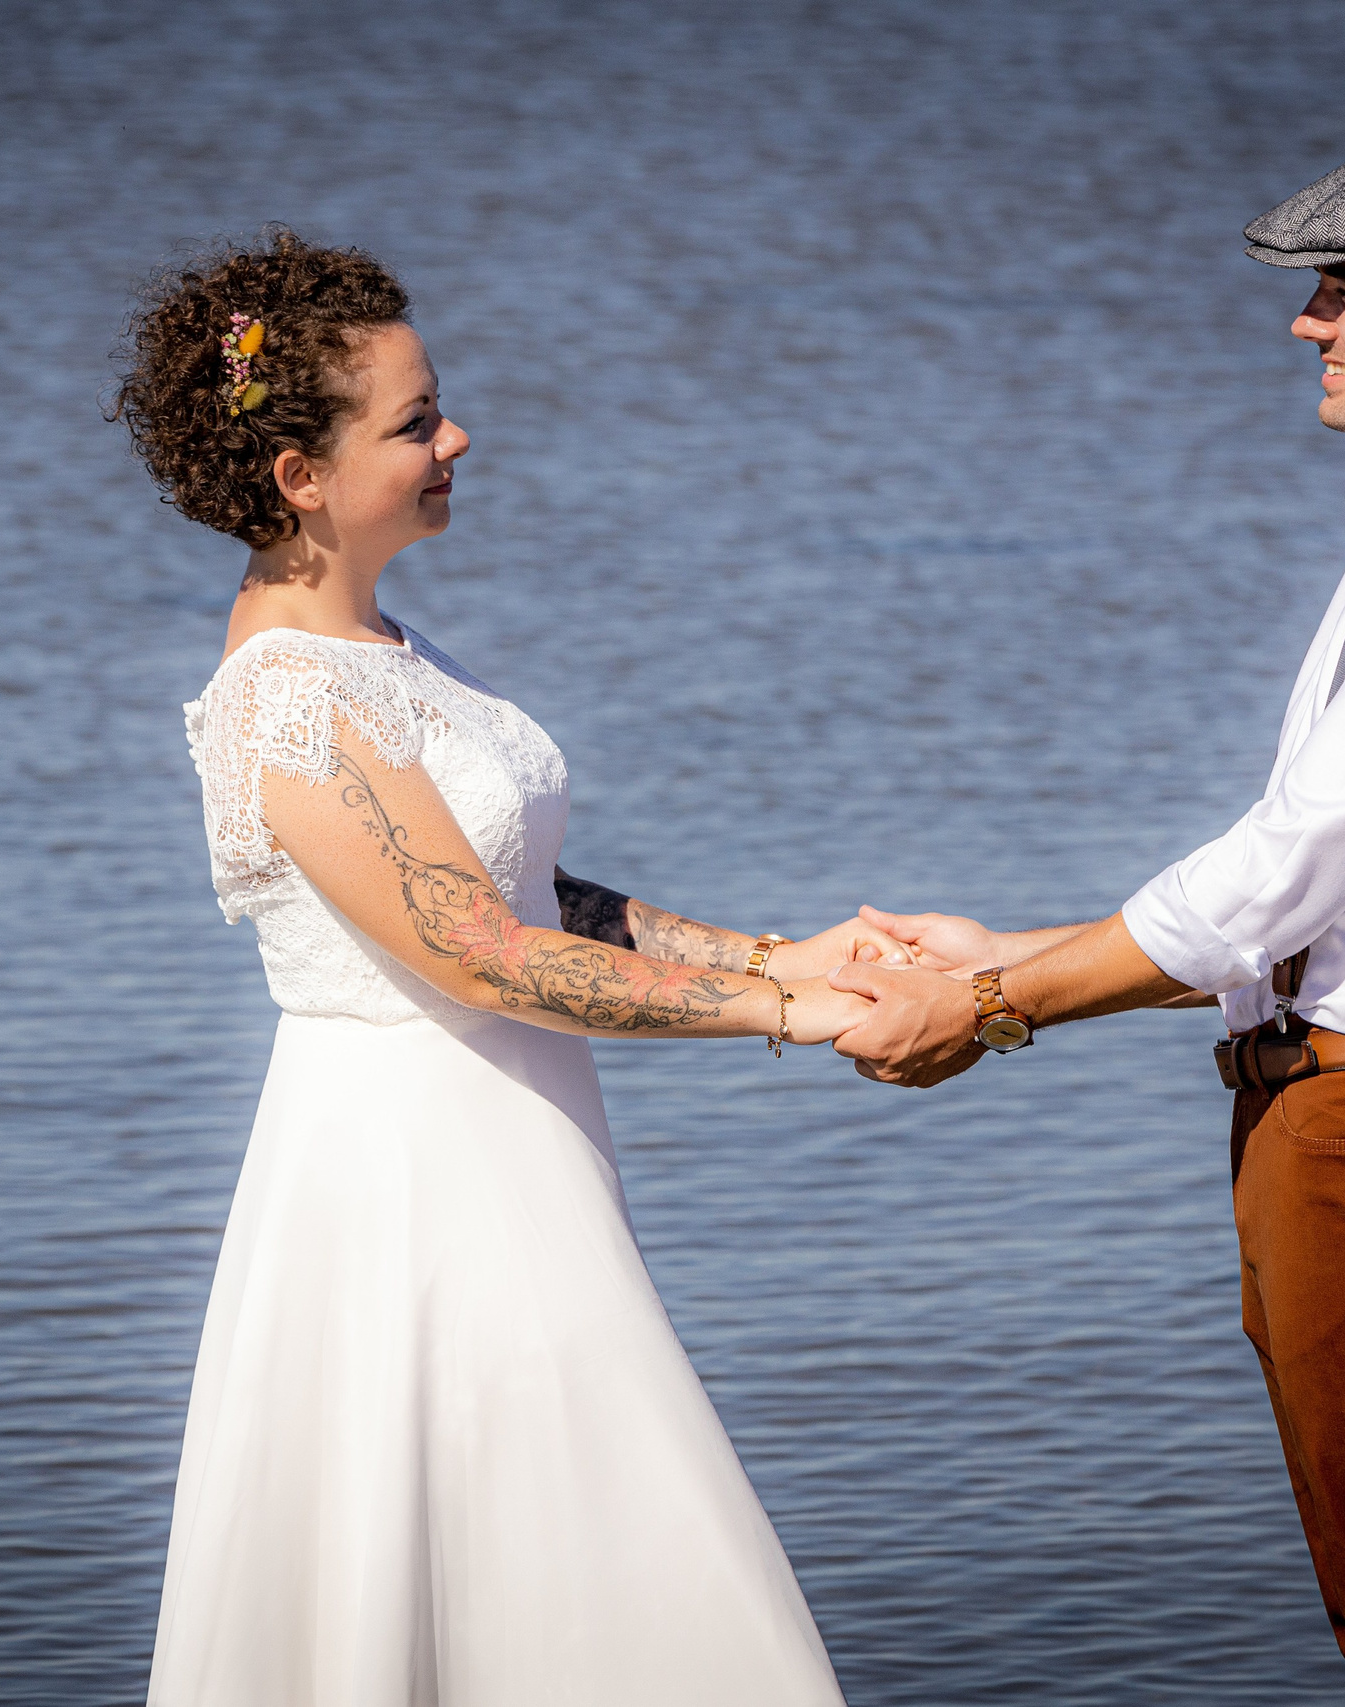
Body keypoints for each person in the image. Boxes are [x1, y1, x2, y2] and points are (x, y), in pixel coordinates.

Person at [832, 135, 1345, 1704]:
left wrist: (992, 1007)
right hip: (1338, 1121)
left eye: (1344, 289)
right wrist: (1008, 954)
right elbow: (1299, 908)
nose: (1307, 321)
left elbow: (1276, 879)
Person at [115, 229, 893, 1705]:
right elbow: (478, 953)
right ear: (300, 476)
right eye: (415, 423)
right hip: (419, 1183)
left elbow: (523, 891)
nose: (457, 438)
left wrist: (781, 949)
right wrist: (786, 1012)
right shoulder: (286, 697)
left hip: (513, 1143)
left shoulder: (381, 646)